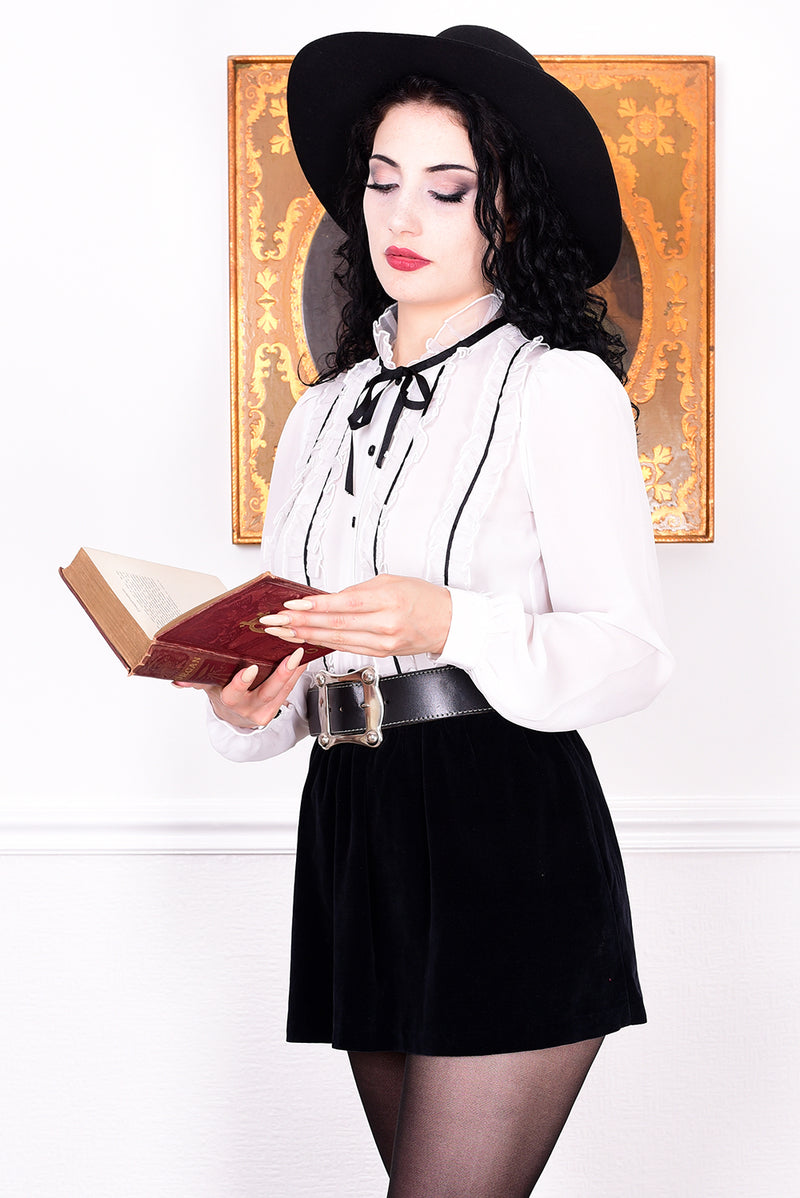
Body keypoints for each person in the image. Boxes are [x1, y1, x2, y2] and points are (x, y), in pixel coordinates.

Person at [191, 26, 673, 1196]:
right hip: (351, 820)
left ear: (506, 209)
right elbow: (296, 650)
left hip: (501, 821)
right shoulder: (321, 415)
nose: (402, 216)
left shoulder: (558, 388)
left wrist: (448, 622)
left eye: (446, 189)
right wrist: (246, 700)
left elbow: (630, 654)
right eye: (382, 181)